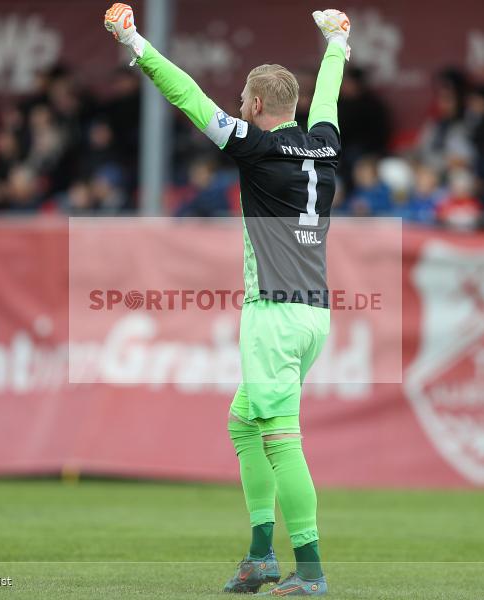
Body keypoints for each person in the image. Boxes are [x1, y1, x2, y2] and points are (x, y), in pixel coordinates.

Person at [104, 4, 348, 595]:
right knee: (244, 423)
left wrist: (134, 40)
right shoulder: (325, 145)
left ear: (258, 108)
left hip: (274, 315)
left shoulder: (256, 149)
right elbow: (329, 101)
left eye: (243, 99)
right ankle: (262, 555)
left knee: (280, 438)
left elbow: (188, 97)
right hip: (314, 313)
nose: (237, 106)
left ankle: (311, 571)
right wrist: (337, 45)